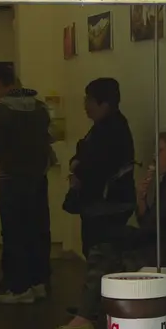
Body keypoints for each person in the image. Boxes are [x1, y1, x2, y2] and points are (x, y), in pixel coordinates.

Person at [54, 131, 166, 329]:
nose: (156, 157)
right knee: (104, 247)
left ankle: (95, 324)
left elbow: (152, 226)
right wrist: (141, 199)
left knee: (110, 258)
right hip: (156, 240)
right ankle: (87, 317)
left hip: (164, 247)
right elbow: (148, 220)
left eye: (162, 151)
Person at [0, 64, 56, 305]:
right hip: (37, 176)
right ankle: (38, 281)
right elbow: (48, 138)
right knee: (37, 229)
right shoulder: (39, 106)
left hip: (11, 178)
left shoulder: (1, 110)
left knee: (14, 231)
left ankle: (18, 286)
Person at [64, 78, 136, 254]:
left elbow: (95, 166)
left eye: (89, 100)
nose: (85, 106)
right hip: (105, 203)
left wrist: (77, 168)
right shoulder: (104, 126)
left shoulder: (111, 130)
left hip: (107, 205)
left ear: (104, 104)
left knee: (99, 254)